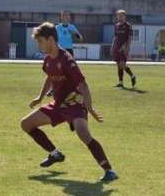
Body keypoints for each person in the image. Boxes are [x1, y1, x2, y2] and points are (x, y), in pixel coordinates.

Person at [20, 22, 118, 182]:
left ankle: (109, 170)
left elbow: (83, 84)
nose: (39, 45)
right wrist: (40, 97)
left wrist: (90, 108)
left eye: (40, 41)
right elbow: (50, 77)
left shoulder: (66, 60)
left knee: (83, 134)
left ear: (50, 39)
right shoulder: (48, 60)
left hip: (74, 104)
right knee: (26, 124)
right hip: (58, 105)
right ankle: (54, 154)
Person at [111, 10, 136, 88]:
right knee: (118, 65)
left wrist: (127, 47)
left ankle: (132, 76)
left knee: (122, 64)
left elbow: (130, 37)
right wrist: (112, 46)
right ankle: (121, 83)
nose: (120, 17)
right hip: (117, 47)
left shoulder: (128, 25)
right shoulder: (117, 25)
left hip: (123, 47)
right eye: (118, 15)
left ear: (124, 16)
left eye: (121, 15)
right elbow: (115, 37)